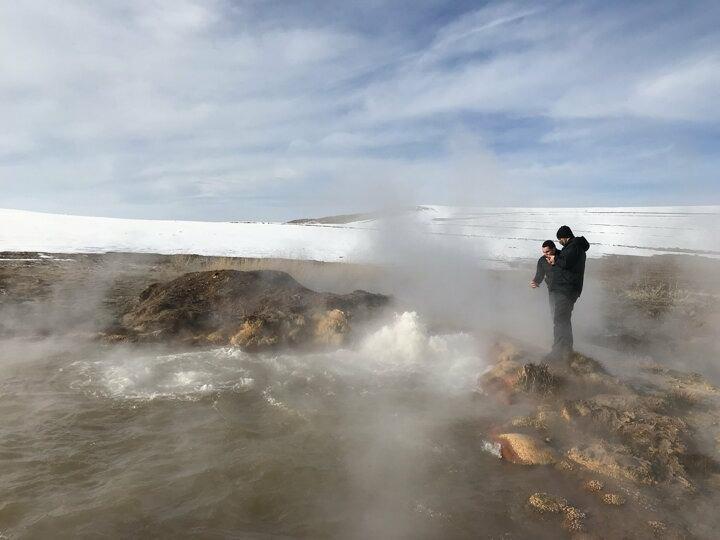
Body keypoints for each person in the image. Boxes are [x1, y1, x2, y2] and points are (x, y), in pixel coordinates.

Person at [545, 225, 590, 360]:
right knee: (563, 320)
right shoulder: (573, 247)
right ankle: (566, 349)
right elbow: (566, 263)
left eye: (559, 239)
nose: (559, 242)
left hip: (567, 290)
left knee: (560, 320)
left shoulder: (574, 247)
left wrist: (555, 260)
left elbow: (566, 262)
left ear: (564, 237)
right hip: (567, 289)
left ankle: (558, 352)